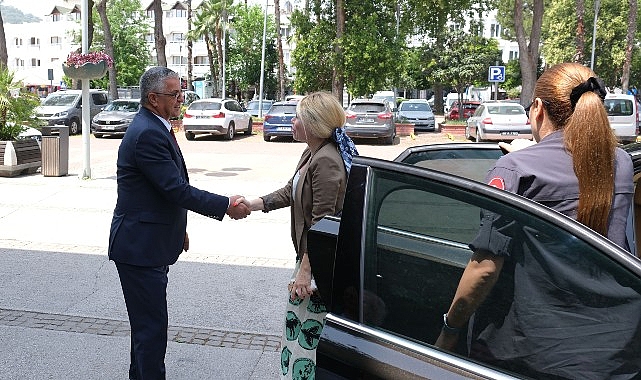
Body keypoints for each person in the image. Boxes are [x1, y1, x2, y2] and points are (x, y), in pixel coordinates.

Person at [435, 63, 637, 378]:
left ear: (538, 108)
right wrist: (531, 152)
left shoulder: (515, 170)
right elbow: (571, 166)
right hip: (614, 351)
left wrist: (449, 330)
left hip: (531, 357)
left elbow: (485, 270)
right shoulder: (621, 163)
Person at [108, 66, 250, 380]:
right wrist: (225, 205)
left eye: (181, 92)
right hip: (139, 249)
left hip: (147, 244)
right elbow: (175, 188)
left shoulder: (155, 125)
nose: (181, 99)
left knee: (146, 331)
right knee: (152, 333)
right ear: (153, 98)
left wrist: (177, 228)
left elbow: (158, 191)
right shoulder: (147, 132)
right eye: (174, 94)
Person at [240, 91, 358, 379]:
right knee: (297, 331)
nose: (291, 121)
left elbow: (323, 224)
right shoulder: (312, 153)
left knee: (307, 339)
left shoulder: (326, 160)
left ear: (313, 124)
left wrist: (306, 272)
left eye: (297, 117)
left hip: (318, 266)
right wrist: (255, 203)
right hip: (310, 260)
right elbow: (290, 190)